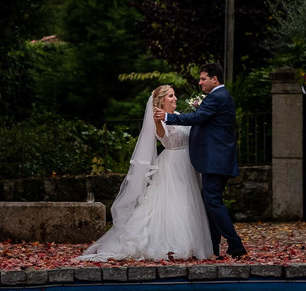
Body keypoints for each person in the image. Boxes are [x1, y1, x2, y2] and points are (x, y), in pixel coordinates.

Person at [77, 84, 213, 262]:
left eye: (174, 95)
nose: (175, 99)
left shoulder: (178, 116)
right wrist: (157, 120)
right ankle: (176, 243)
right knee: (176, 201)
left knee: (189, 201)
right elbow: (163, 135)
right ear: (162, 100)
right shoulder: (159, 120)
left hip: (188, 163)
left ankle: (194, 242)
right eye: (171, 96)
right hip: (173, 163)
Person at [156, 62, 246, 259]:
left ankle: (235, 244)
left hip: (215, 160)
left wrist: (169, 117)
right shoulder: (221, 97)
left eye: (203, 78)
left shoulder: (217, 97)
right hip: (218, 159)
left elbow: (198, 117)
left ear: (215, 79)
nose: (200, 82)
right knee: (210, 202)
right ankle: (212, 247)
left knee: (212, 201)